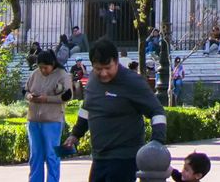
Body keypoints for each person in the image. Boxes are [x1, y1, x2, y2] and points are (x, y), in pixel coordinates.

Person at [67, 38, 168, 182]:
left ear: (116, 61)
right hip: (99, 158)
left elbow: (157, 111)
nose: (103, 73)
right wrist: (76, 134)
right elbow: (87, 108)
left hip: (125, 159)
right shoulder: (92, 81)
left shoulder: (132, 82)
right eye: (98, 69)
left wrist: (157, 142)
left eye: (107, 68)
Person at [27, 48, 71, 182]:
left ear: (52, 64)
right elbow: (26, 90)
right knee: (35, 155)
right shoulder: (35, 74)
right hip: (34, 120)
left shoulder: (62, 75)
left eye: (45, 67)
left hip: (53, 120)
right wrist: (29, 96)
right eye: (40, 67)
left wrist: (47, 99)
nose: (43, 70)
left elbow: (67, 96)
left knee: (52, 155)